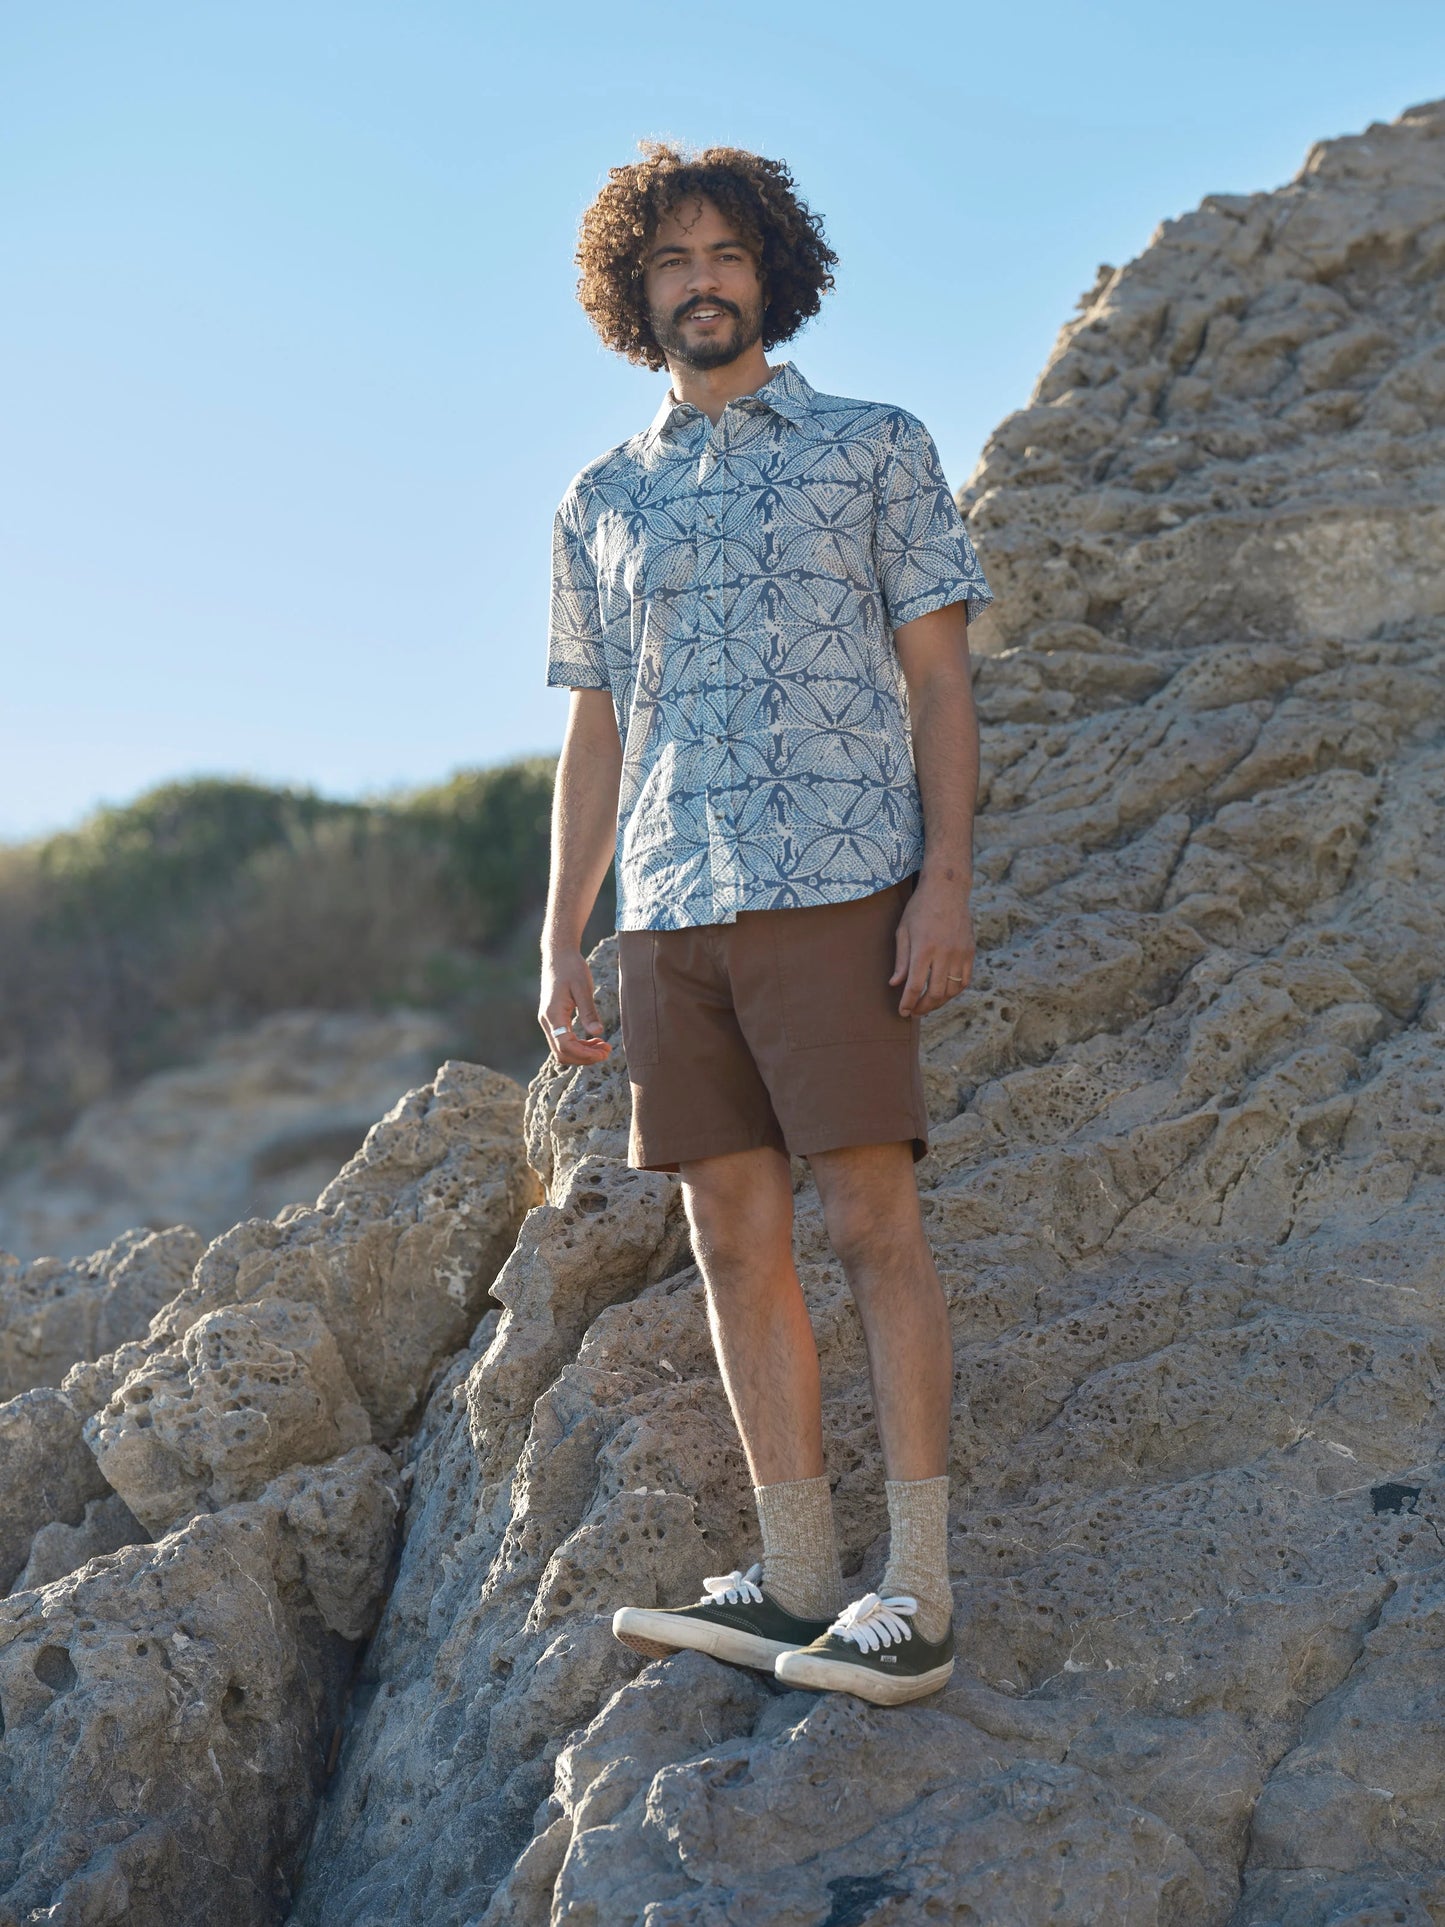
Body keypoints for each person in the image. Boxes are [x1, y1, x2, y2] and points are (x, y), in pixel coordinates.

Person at [538, 142, 991, 1706]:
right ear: (633, 292)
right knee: (730, 1236)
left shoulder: (873, 448)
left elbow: (939, 677)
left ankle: (916, 1591)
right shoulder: (599, 500)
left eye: (727, 255)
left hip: (836, 880)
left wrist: (944, 879)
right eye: (671, 262)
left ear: (771, 273)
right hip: (669, 913)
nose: (702, 281)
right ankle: (799, 1574)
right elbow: (596, 734)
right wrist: (562, 938)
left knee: (872, 1225)